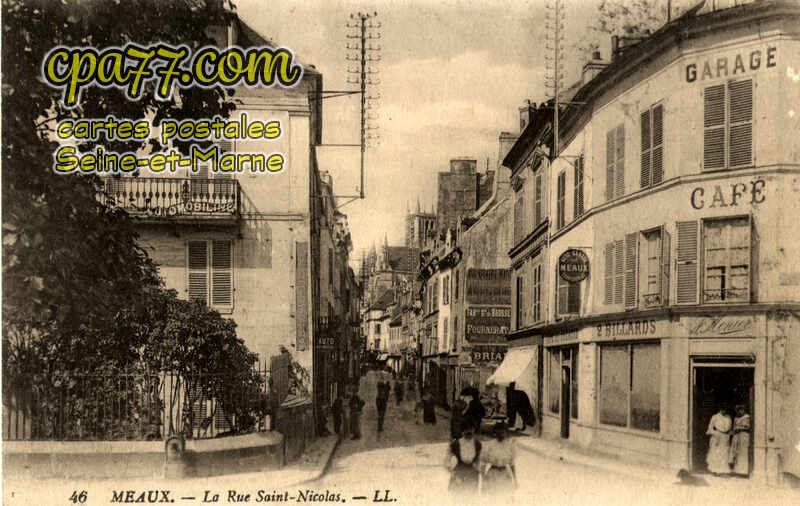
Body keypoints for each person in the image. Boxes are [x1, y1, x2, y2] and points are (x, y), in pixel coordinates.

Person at [480, 422, 517, 494]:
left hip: (505, 474)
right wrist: (483, 479)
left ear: (506, 432)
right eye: (498, 431)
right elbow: (483, 463)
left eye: (503, 431)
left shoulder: (509, 446)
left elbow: (512, 464)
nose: (501, 434)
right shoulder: (490, 445)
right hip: (493, 474)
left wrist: (515, 480)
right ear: (495, 432)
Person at [445, 425, 483, 494]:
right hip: (459, 471)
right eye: (466, 429)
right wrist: (451, 471)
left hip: (472, 473)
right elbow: (447, 458)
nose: (469, 431)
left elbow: (480, 458)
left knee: (471, 495)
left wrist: (478, 468)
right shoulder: (456, 443)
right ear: (462, 431)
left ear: (474, 430)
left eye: (471, 429)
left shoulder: (477, 444)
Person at [706, 406, 732, 475]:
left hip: (725, 437)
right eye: (723, 409)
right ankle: (715, 470)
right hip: (717, 436)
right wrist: (715, 433)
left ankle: (723, 470)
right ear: (720, 409)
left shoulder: (728, 417)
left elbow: (729, 428)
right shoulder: (715, 417)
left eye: (725, 409)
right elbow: (710, 427)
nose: (724, 411)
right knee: (716, 453)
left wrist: (728, 435)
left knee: (724, 453)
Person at [729, 404, 750, 476]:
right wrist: (734, 430)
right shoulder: (736, 418)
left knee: (743, 453)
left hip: (744, 436)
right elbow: (734, 427)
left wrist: (741, 428)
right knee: (737, 452)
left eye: (742, 410)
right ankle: (738, 470)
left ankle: (744, 470)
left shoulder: (747, 417)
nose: (741, 412)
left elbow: (749, 427)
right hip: (737, 436)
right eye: (739, 410)